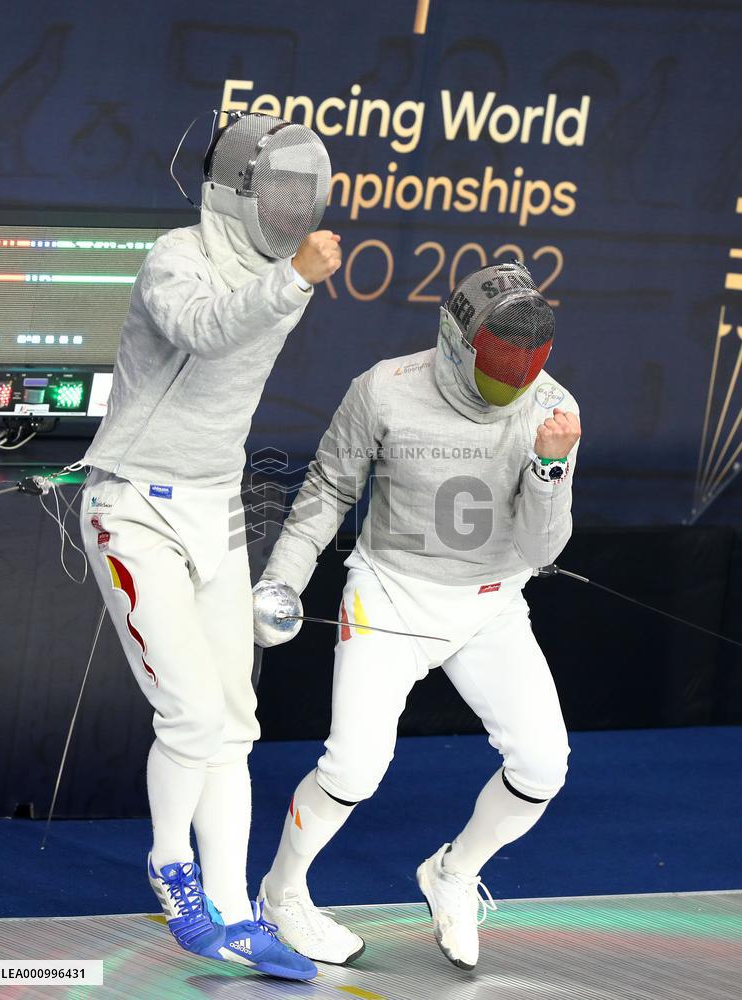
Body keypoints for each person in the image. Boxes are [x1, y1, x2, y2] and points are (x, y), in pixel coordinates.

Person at [253, 260, 581, 971]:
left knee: (542, 764)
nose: (513, 376)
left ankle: (453, 873)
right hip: (390, 595)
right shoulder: (384, 389)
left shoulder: (551, 409)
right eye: (500, 360)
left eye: (526, 362)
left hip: (491, 604)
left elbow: (541, 548)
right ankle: (280, 896)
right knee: (355, 766)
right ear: (459, 341)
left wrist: (550, 468)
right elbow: (325, 491)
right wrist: (280, 581)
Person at [78, 111, 339, 980]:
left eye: (306, 191)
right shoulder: (175, 256)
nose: (296, 206)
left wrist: (289, 276)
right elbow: (207, 328)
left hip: (214, 508)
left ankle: (235, 911)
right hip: (133, 506)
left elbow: (251, 315)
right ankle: (170, 868)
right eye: (282, 190)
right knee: (189, 713)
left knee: (233, 727)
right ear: (236, 192)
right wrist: (294, 278)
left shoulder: (279, 270)